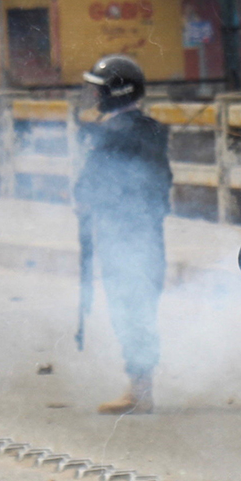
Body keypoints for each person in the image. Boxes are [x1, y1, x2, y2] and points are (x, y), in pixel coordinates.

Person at [73, 54, 171, 415]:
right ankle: (141, 384)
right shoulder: (150, 130)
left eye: (97, 91)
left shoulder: (112, 135)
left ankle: (140, 390)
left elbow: (92, 188)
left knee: (130, 309)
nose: (94, 97)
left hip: (123, 236)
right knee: (138, 306)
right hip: (147, 235)